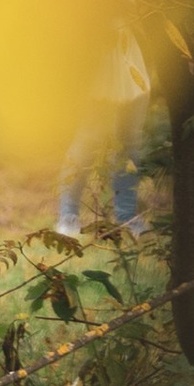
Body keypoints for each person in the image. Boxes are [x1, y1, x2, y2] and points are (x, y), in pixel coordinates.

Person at [56, 25, 151, 242]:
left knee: (130, 141)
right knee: (89, 138)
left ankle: (127, 218)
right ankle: (67, 216)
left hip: (130, 56)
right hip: (100, 57)